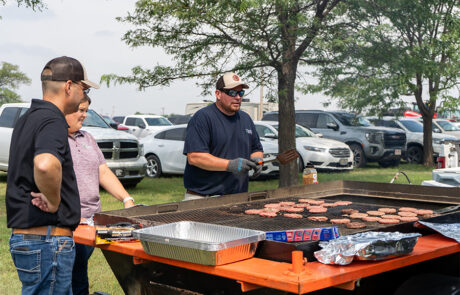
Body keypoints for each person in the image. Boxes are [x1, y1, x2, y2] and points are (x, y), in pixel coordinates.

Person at [6, 56, 99, 294]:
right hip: (48, 241)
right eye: (84, 88)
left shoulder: (28, 118)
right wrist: (54, 199)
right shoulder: (53, 119)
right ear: (69, 86)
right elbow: (45, 164)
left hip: (28, 239)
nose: (84, 94)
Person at [66, 95, 136, 295]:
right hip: (67, 222)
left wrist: (127, 199)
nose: (84, 115)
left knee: (79, 274)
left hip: (90, 222)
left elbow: (102, 172)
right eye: (80, 110)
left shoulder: (87, 137)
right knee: (63, 280)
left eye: (86, 110)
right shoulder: (54, 139)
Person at [183, 72, 263, 200]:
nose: (237, 97)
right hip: (203, 198)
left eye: (240, 93)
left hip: (238, 196)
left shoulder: (246, 119)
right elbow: (195, 157)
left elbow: (256, 148)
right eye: (232, 93)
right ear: (218, 94)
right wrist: (230, 165)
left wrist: (257, 160)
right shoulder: (203, 118)